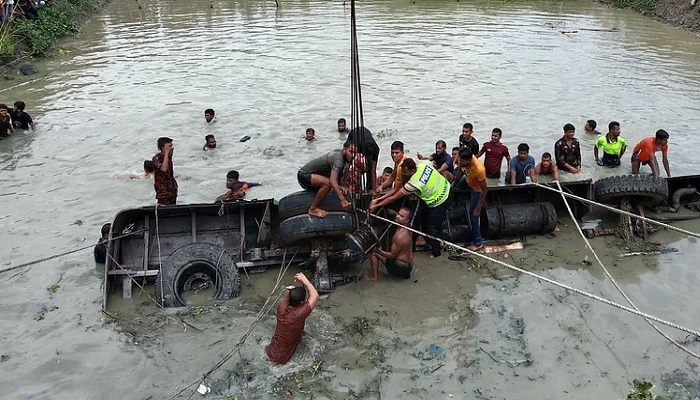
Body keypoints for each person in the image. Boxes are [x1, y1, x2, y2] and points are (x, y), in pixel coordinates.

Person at [369, 158, 451, 258]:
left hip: (440, 200)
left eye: (405, 173)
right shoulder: (422, 164)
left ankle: (436, 253)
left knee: (431, 228)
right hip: (446, 187)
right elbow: (432, 162)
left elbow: (395, 197)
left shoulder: (414, 183)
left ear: (412, 171)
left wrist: (377, 205)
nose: (404, 175)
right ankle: (440, 242)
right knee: (430, 223)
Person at [267, 272, 319, 364]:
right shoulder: (299, 314)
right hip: (282, 358)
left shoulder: (282, 307)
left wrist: (293, 290)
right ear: (302, 303)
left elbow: (293, 296)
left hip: (271, 351)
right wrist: (304, 280)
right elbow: (315, 295)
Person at [297, 141, 355, 218]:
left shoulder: (346, 158)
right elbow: (332, 181)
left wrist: (343, 185)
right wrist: (343, 200)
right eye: (350, 151)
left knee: (334, 185)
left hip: (316, 176)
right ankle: (313, 209)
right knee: (328, 184)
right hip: (304, 175)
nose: (352, 155)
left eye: (355, 153)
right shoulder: (338, 159)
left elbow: (347, 168)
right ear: (344, 149)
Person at [363, 207, 414, 281]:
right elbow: (399, 216)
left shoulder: (400, 236)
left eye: (401, 216)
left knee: (372, 252)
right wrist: (391, 211)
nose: (398, 217)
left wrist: (379, 251)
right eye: (398, 214)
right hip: (408, 266)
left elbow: (391, 255)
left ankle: (374, 277)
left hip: (399, 268)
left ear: (407, 220)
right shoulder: (408, 227)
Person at [453, 148, 487, 252]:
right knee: (450, 188)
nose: (460, 162)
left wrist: (478, 207)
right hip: (468, 179)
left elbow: (484, 189)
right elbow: (459, 171)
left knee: (474, 214)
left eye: (462, 161)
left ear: (469, 160)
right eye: (460, 160)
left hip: (476, 188)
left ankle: (477, 243)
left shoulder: (479, 170)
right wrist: (454, 186)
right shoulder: (462, 161)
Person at [347, 127, 380, 192]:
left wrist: (374, 190)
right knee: (353, 167)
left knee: (370, 168)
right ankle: (352, 186)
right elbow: (348, 162)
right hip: (355, 135)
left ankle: (369, 188)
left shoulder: (376, 149)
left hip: (365, 137)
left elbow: (373, 170)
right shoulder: (357, 147)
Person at [152, 137, 178, 205]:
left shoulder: (169, 156)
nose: (172, 148)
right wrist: (166, 153)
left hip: (172, 190)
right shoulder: (156, 158)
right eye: (169, 146)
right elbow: (164, 169)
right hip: (163, 192)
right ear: (163, 148)